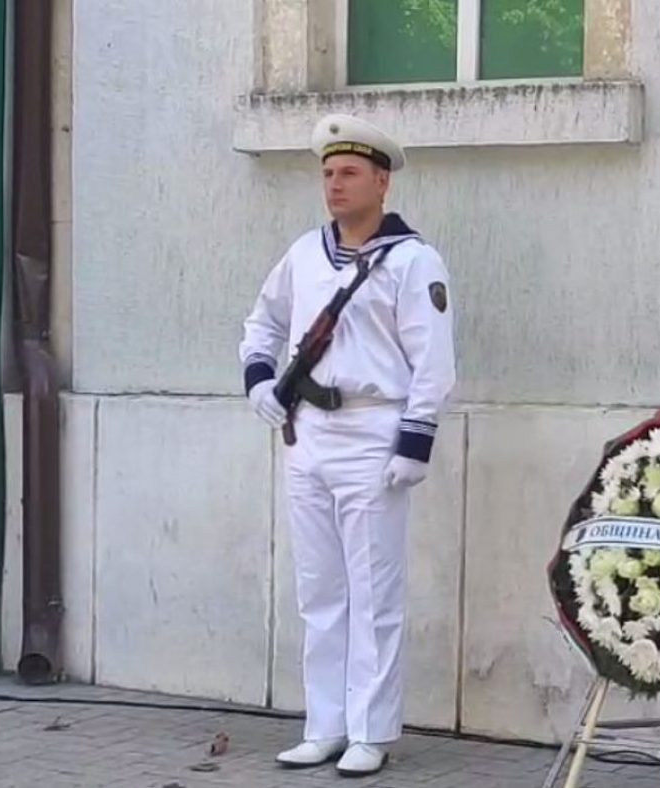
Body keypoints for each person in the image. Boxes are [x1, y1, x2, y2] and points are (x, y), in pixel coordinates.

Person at [238, 113, 456, 777]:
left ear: (381, 182)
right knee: (320, 590)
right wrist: (259, 381)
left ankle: (371, 730)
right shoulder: (305, 253)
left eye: (350, 173)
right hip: (308, 431)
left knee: (373, 589)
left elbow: (433, 360)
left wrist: (414, 440)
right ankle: (325, 724)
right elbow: (262, 322)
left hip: (372, 431)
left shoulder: (412, 260)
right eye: (328, 173)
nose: (335, 184)